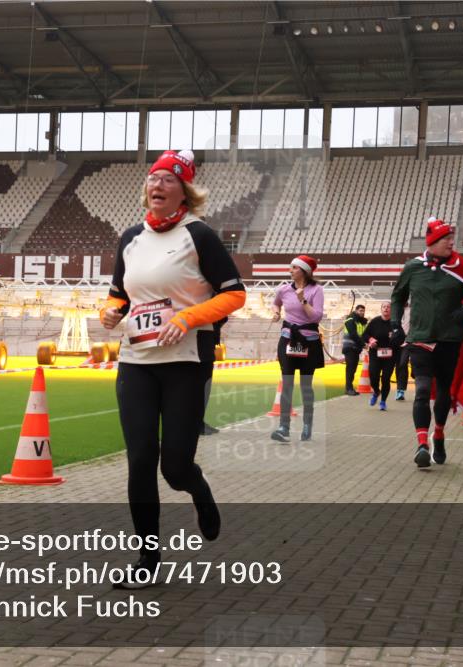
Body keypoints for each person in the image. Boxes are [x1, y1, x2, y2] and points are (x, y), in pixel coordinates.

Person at [100, 149, 246, 587]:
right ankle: (147, 559)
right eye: (152, 178)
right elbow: (120, 296)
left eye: (167, 179)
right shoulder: (130, 239)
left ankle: (199, 492)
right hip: (137, 361)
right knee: (140, 459)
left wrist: (187, 317)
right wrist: (111, 312)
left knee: (175, 467)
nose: (157, 185)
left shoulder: (197, 235)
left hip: (186, 361)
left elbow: (234, 295)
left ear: (184, 190)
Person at [391, 217, 463, 468]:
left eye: (451, 238)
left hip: (449, 340)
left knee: (443, 392)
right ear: (432, 242)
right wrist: (395, 324)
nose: (451, 242)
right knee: (421, 391)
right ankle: (422, 444)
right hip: (420, 339)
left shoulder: (459, 266)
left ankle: (439, 433)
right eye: (446, 239)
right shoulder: (412, 267)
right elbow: (397, 297)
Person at [270, 255, 325, 442]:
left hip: (308, 341)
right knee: (286, 384)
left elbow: (316, 317)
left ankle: (307, 425)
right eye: (290, 267)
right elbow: (275, 302)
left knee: (305, 386)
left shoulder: (316, 290)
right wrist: (276, 312)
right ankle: (283, 427)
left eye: (294, 267)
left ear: (304, 271)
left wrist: (303, 300)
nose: (290, 270)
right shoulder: (283, 289)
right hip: (288, 339)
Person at [361, 301, 403, 411]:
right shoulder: (375, 321)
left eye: (388, 307)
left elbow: (402, 337)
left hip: (390, 355)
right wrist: (371, 340)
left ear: (391, 310)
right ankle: (376, 391)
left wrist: (394, 338)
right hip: (376, 353)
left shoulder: (395, 323)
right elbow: (364, 335)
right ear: (381, 309)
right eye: (384, 307)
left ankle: (383, 401)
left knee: (385, 378)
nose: (386, 309)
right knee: (373, 376)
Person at [342, 304, 367, 395]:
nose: (362, 312)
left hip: (356, 348)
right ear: (356, 311)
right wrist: (364, 344)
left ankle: (349, 388)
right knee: (350, 368)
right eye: (360, 310)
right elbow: (353, 334)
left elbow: (363, 335)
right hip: (349, 347)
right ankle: (348, 388)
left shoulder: (361, 322)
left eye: (363, 311)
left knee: (353, 368)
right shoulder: (350, 320)